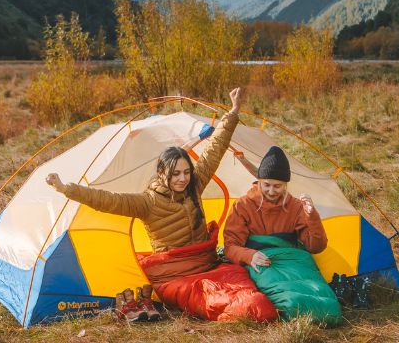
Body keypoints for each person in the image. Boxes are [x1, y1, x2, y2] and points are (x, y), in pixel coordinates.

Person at [45, 87, 277, 323]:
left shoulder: (194, 187)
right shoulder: (148, 202)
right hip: (175, 276)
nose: (183, 178)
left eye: (186, 172)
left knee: (249, 290)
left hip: (207, 263)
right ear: (162, 172)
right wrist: (67, 189)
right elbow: (107, 200)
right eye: (176, 173)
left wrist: (233, 111)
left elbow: (214, 150)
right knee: (246, 306)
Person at [222, 146, 342, 325]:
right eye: (266, 185)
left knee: (331, 308)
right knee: (291, 303)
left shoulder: (295, 206)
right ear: (259, 181)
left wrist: (312, 217)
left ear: (286, 185)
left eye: (277, 186)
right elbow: (230, 246)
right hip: (262, 261)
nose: (271, 191)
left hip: (294, 260)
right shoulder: (243, 206)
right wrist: (249, 255)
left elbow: (316, 247)